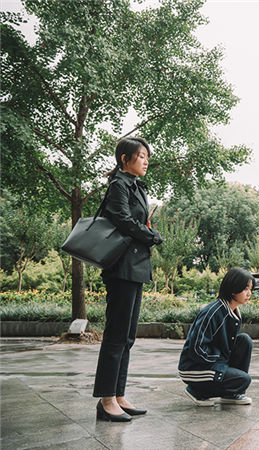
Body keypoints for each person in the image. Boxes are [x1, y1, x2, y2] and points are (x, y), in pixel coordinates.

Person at [93, 137, 163, 422]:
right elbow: (122, 219)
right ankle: (106, 400)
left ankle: (119, 395)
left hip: (136, 267)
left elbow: (134, 220)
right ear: (125, 158)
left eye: (147, 156)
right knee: (116, 335)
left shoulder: (136, 186)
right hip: (121, 268)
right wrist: (152, 236)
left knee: (128, 337)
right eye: (141, 156)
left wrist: (147, 233)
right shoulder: (118, 185)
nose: (146, 161)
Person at [178, 267, 255, 406]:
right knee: (243, 380)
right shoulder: (213, 312)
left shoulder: (233, 312)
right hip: (193, 367)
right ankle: (197, 391)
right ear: (233, 289)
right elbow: (196, 348)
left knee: (244, 340)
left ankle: (231, 394)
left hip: (213, 362)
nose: (249, 293)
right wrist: (219, 363)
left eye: (250, 289)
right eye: (245, 289)